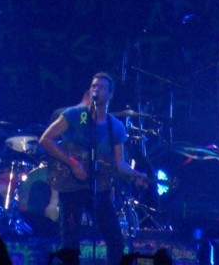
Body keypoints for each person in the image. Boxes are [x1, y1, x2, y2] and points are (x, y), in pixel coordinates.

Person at [39, 73, 148, 265]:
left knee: (115, 239)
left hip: (98, 188)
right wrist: (72, 163)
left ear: (110, 94)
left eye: (101, 87)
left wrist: (134, 174)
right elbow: (46, 139)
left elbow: (119, 163)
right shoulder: (74, 115)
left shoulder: (115, 127)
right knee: (70, 242)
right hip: (70, 186)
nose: (96, 90)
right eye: (93, 86)